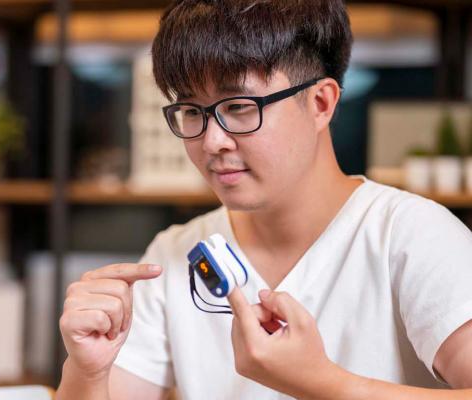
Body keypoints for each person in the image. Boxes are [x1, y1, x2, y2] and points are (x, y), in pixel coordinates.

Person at [56, 1, 472, 399]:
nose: (212, 141)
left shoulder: (411, 237)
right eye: (190, 111)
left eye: (238, 106)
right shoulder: (174, 253)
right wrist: (86, 369)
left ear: (320, 103)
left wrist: (323, 383)